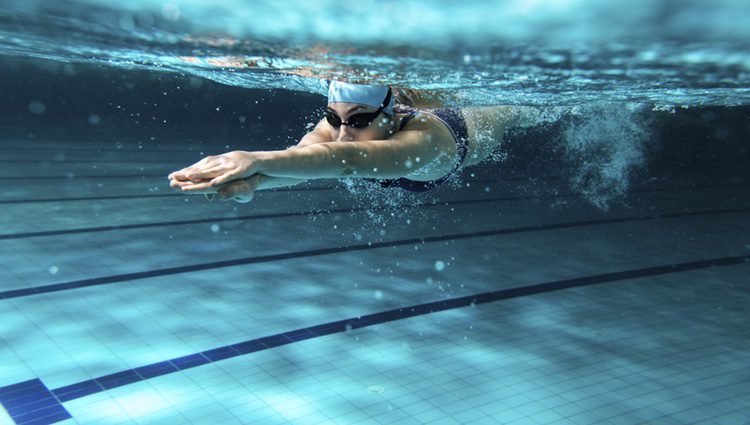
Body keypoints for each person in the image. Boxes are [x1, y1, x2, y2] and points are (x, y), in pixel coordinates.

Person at [168, 81, 517, 202]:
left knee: (519, 111)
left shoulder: (425, 140)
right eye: (334, 119)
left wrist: (253, 159)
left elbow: (347, 160)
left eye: (360, 120)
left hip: (480, 121)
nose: (343, 133)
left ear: (391, 116)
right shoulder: (337, 129)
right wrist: (253, 185)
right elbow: (303, 161)